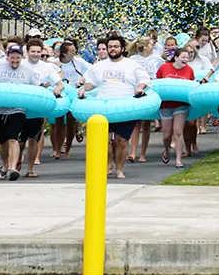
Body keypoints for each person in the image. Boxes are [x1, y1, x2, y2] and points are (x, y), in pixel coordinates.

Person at [0, 44, 55, 180]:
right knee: (3, 141)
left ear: (21, 57)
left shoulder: (27, 71)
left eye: (18, 58)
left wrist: (45, 87)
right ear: (8, 57)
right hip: (0, 110)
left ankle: (13, 168)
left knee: (13, 138)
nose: (15, 60)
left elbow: (37, 87)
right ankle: (4, 165)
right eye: (12, 57)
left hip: (18, 110)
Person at [79, 34, 151, 180]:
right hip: (103, 107)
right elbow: (91, 82)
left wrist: (140, 88)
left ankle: (120, 169)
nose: (112, 49)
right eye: (110, 47)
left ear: (122, 48)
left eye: (116, 46)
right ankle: (107, 164)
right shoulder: (99, 66)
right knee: (104, 140)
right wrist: (83, 89)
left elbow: (144, 80)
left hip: (125, 108)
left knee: (121, 140)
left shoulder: (132, 65)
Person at [20, 39, 62, 177]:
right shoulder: (20, 64)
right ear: (27, 51)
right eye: (33, 51)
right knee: (19, 140)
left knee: (34, 139)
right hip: (20, 108)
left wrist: (56, 91)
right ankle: (16, 162)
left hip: (37, 109)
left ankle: (30, 169)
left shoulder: (46, 67)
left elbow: (60, 84)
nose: (36, 54)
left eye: (38, 52)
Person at [156, 45, 195, 167]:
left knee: (178, 132)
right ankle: (167, 149)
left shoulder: (189, 70)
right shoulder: (164, 68)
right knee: (167, 135)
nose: (185, 60)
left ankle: (178, 160)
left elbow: (192, 86)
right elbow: (157, 83)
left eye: (187, 57)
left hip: (181, 105)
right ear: (176, 57)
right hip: (166, 104)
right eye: (183, 57)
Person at [53, 39, 90, 160]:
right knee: (59, 121)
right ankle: (58, 149)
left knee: (71, 121)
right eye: (71, 52)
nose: (74, 54)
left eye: (74, 51)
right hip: (61, 95)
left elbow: (92, 70)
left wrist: (82, 80)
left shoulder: (79, 62)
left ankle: (67, 148)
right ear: (64, 53)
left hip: (73, 94)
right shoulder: (55, 64)